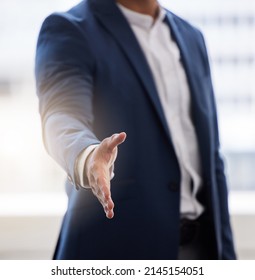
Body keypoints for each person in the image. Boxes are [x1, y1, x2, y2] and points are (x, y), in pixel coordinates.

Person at [35, 0, 236, 260]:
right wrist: (88, 156)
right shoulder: (70, 29)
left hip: (200, 251)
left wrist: (227, 257)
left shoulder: (191, 37)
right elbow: (61, 115)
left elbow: (211, 159)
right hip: (117, 252)